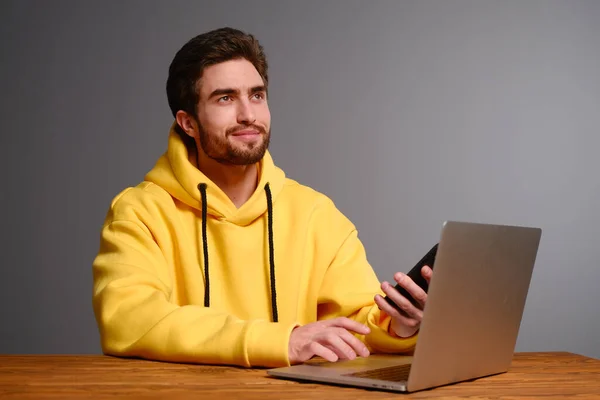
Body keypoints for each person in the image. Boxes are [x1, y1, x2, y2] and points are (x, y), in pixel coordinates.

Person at [92, 27, 433, 368]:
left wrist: (398, 326)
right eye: (225, 98)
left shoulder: (315, 213)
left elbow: (356, 324)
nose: (248, 115)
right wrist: (280, 341)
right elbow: (128, 318)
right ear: (188, 123)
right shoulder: (140, 211)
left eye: (256, 95)